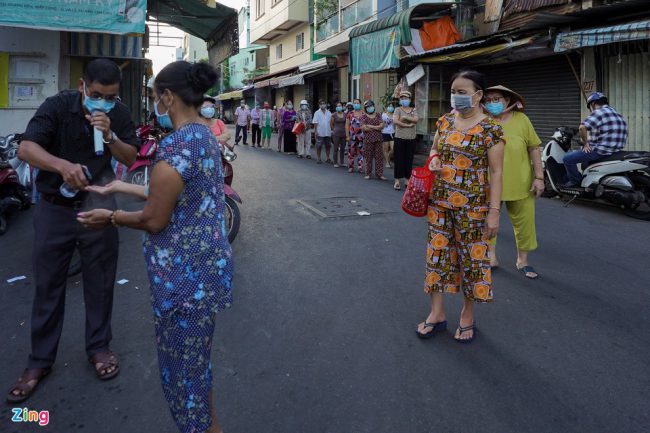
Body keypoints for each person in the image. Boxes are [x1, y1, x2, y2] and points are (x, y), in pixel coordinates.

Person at [78, 61, 234, 433]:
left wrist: (111, 217)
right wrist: (123, 187)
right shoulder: (204, 136)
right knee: (196, 369)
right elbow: (182, 193)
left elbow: (154, 218)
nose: (154, 106)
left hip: (183, 282)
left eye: (154, 98)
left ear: (167, 97)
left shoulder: (176, 146)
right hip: (205, 274)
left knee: (185, 379)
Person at [7, 58, 139, 404]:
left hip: (98, 205)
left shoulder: (118, 114)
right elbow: (26, 148)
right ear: (82, 86)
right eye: (96, 95)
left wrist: (110, 135)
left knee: (101, 281)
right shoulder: (58, 106)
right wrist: (61, 165)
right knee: (48, 285)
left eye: (110, 97)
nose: (103, 102)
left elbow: (130, 157)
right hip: (54, 208)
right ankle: (39, 361)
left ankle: (99, 347)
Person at [417, 70, 504, 344]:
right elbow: (434, 149)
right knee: (437, 256)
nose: (456, 96)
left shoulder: (491, 129)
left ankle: (467, 314)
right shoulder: (445, 121)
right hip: (439, 203)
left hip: (474, 207)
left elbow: (497, 172)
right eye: (454, 91)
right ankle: (437, 313)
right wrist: (433, 159)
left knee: (472, 260)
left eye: (462, 92)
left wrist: (494, 212)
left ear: (478, 95)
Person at [484, 85, 544, 279]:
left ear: (507, 100)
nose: (492, 103)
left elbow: (534, 148)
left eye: (496, 99)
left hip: (521, 182)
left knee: (525, 223)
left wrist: (539, 177)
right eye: (488, 100)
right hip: (489, 183)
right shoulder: (483, 121)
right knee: (489, 220)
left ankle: (522, 260)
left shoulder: (522, 119)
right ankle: (491, 256)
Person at [561, 91, 628, 188]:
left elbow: (582, 128)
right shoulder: (617, 114)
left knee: (567, 159)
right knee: (584, 158)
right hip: (615, 151)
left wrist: (585, 144)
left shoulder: (599, 112)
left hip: (601, 151)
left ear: (592, 104)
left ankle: (575, 182)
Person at [393, 91, 418, 190]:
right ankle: (397, 180)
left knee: (409, 160)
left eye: (406, 98)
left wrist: (405, 117)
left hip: (411, 138)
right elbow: (396, 121)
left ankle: (407, 179)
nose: (404, 100)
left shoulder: (413, 110)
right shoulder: (398, 109)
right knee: (398, 159)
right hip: (399, 137)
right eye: (402, 98)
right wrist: (407, 124)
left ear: (410, 99)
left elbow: (416, 120)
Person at [360, 100, 386, 180]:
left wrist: (370, 126)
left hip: (378, 139)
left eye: (371, 106)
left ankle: (379, 174)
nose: (369, 108)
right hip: (368, 140)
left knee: (379, 157)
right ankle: (368, 173)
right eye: (367, 107)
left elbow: (382, 126)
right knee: (368, 157)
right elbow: (364, 128)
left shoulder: (378, 115)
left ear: (374, 106)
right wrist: (376, 127)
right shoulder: (363, 116)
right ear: (365, 108)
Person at [346, 98, 364, 173]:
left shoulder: (363, 114)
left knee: (361, 152)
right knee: (351, 152)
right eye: (355, 103)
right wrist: (347, 135)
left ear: (360, 104)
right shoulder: (350, 114)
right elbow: (347, 125)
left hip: (361, 136)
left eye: (357, 103)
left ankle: (360, 167)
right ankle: (351, 166)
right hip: (352, 136)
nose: (356, 104)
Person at [312, 99, 333, 164]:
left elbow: (331, 122)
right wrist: (316, 131)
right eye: (321, 104)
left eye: (324, 103)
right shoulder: (317, 113)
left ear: (326, 105)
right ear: (319, 105)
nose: (322, 105)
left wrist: (332, 130)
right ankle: (318, 158)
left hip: (328, 132)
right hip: (320, 132)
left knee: (328, 146)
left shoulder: (329, 112)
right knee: (319, 146)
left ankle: (328, 158)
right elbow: (315, 122)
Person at [330, 102, 347, 168]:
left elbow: (347, 123)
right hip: (336, 134)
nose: (339, 107)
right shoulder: (334, 114)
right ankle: (335, 162)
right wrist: (334, 130)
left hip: (344, 133)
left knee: (342, 148)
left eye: (340, 106)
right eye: (337, 106)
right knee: (335, 148)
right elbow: (331, 124)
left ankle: (342, 162)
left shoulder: (345, 114)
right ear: (336, 107)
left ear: (342, 107)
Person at [382, 104, 395, 168]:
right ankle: (387, 162)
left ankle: (388, 157)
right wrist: (383, 124)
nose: (390, 107)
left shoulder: (394, 115)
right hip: (385, 133)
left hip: (392, 133)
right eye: (389, 106)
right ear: (387, 108)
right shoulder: (383, 115)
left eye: (392, 106)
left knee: (393, 149)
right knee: (386, 149)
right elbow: (381, 123)